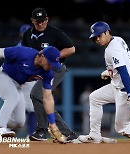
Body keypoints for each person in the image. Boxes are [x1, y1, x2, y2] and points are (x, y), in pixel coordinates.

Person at [74, 21, 130, 143]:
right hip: (119, 87)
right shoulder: (117, 39)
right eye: (95, 37)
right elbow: (124, 63)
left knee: (122, 129)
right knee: (94, 98)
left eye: (99, 35)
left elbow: (123, 71)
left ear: (107, 32)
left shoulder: (112, 49)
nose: (97, 39)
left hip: (128, 91)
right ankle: (94, 135)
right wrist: (109, 71)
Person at [0, 46, 66, 143]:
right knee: (13, 98)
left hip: (17, 86)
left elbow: (48, 98)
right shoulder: (25, 53)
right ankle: (1, 129)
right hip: (2, 76)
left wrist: (52, 123)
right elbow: (0, 52)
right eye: (50, 62)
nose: (51, 66)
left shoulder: (48, 73)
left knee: (19, 122)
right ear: (42, 56)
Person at [21, 7, 77, 141]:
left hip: (55, 68)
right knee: (42, 98)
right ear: (32, 21)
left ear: (47, 19)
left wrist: (54, 57)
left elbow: (71, 49)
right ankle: (64, 133)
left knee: (37, 94)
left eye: (42, 21)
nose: (40, 24)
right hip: (40, 70)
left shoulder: (55, 33)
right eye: (37, 21)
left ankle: (43, 130)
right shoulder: (27, 34)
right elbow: (25, 53)